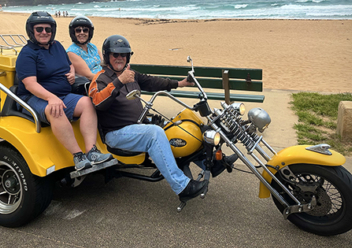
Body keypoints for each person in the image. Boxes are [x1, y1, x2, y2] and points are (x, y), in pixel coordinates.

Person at [89, 35, 208, 202]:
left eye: (123, 55)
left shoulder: (131, 74)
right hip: (115, 133)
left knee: (181, 126)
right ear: (107, 56)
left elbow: (153, 82)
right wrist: (118, 82)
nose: (120, 58)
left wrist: (180, 84)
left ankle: (211, 164)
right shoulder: (100, 78)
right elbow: (97, 102)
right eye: (115, 54)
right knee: (154, 133)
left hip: (139, 126)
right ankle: (182, 187)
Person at [15, 11, 112, 171]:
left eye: (48, 29)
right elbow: (30, 84)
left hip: (62, 95)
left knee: (88, 103)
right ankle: (78, 156)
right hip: (34, 97)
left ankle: (91, 151)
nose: (44, 32)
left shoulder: (57, 46)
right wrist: (51, 98)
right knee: (56, 109)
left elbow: (69, 64)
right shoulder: (27, 54)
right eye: (39, 29)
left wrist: (72, 72)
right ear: (32, 31)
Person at [66, 16, 102, 81]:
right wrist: (112, 80)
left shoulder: (92, 47)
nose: (82, 33)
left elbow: (105, 64)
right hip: (92, 84)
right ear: (73, 33)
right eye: (78, 30)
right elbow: (88, 76)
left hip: (103, 79)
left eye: (85, 30)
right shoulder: (72, 52)